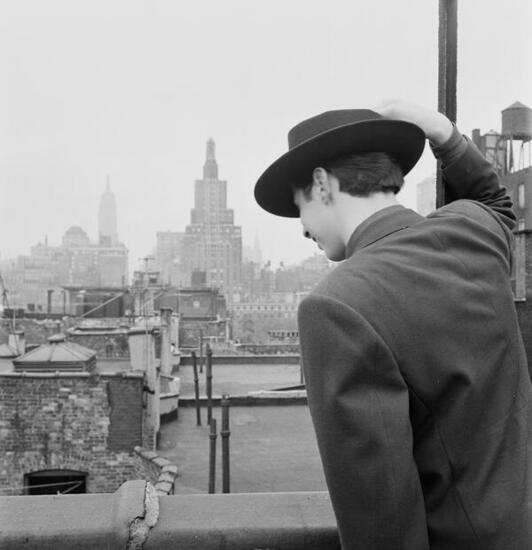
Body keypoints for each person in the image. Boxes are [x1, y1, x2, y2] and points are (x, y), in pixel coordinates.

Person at [254, 101, 532, 549]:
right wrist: (444, 134)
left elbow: (381, 517)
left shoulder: (336, 306)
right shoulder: (476, 232)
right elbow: (497, 201)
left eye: (299, 204)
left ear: (322, 184)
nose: (303, 228)